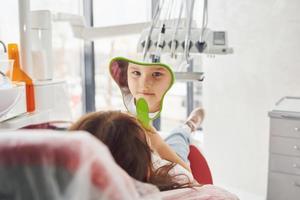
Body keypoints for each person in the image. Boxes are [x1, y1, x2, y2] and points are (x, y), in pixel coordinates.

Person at [69, 107, 204, 191]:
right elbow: (192, 181)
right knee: (178, 138)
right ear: (147, 170)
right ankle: (189, 125)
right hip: (163, 167)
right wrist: (156, 142)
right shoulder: (173, 175)